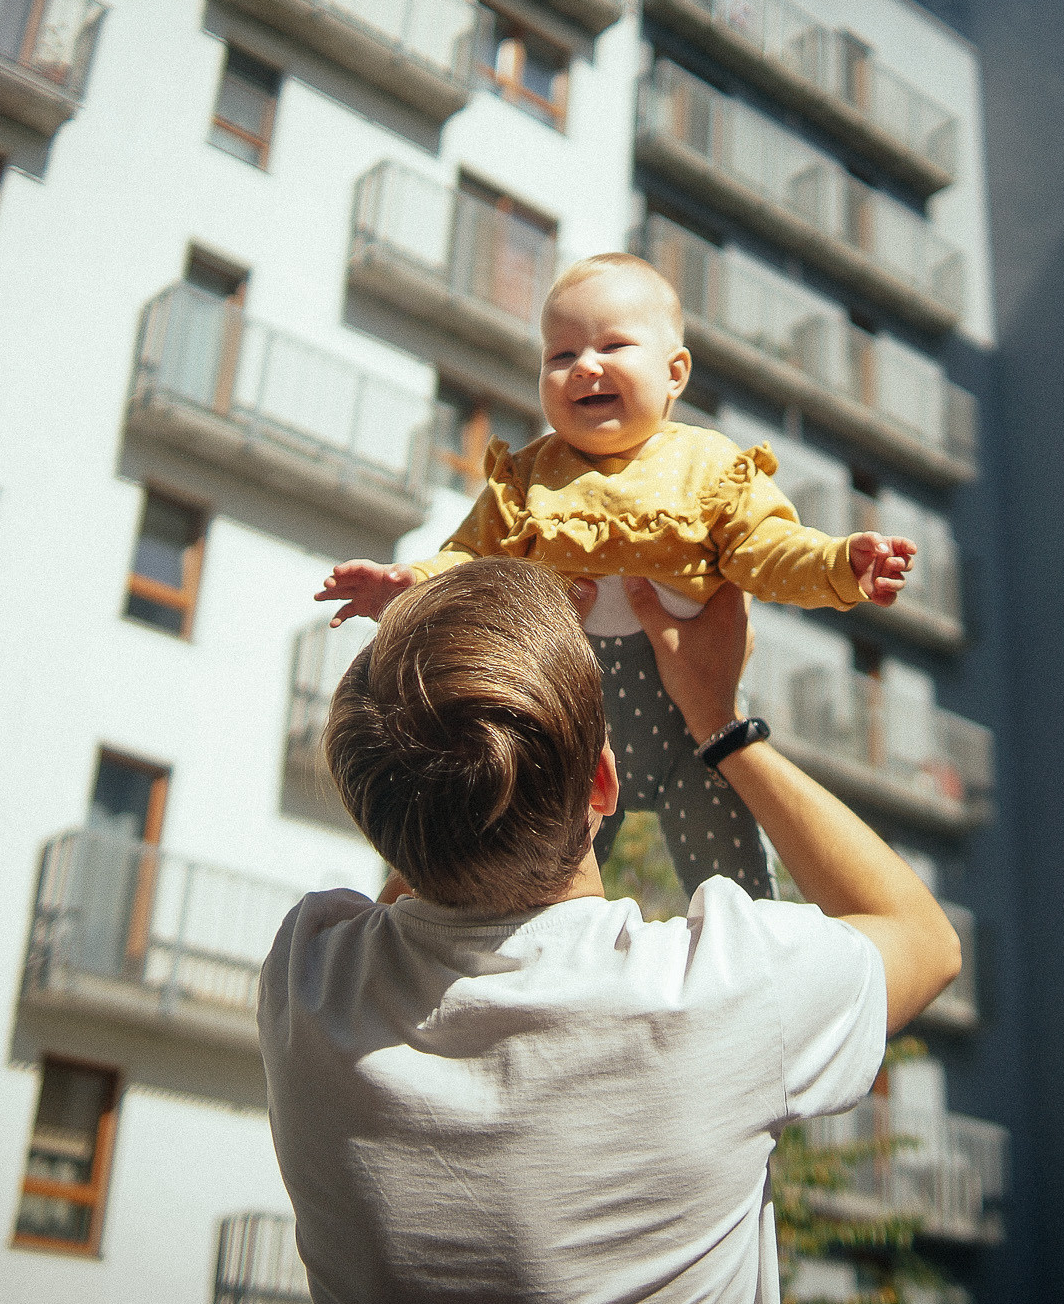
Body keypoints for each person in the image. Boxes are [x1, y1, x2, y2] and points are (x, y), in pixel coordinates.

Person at [259, 558, 961, 1304]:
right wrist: (720, 723)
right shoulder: (719, 991)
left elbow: (418, 855)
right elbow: (924, 939)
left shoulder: (309, 978)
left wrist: (434, 672)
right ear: (602, 782)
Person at [316, 253, 917, 899]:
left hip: (692, 728)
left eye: (613, 345)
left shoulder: (707, 466)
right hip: (565, 727)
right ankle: (444, 933)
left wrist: (838, 563)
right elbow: (470, 558)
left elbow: (766, 548)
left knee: (734, 887)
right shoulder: (528, 477)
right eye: (561, 354)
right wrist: (412, 585)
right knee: (512, 872)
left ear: (674, 372)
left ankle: (740, 963)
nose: (586, 366)